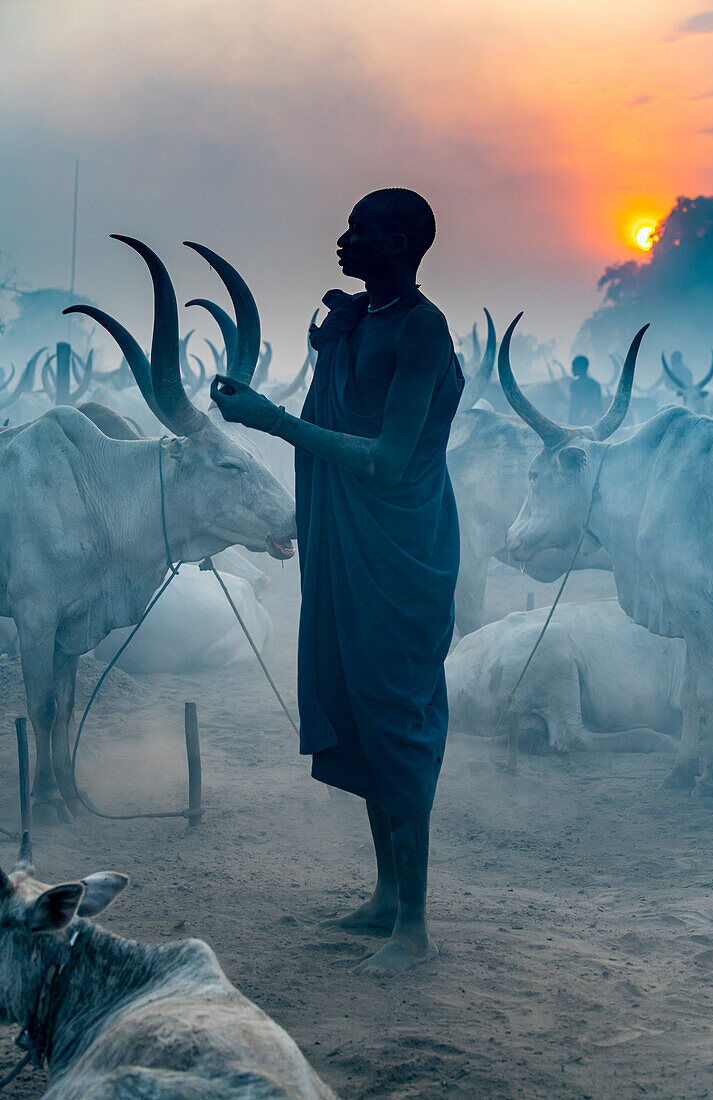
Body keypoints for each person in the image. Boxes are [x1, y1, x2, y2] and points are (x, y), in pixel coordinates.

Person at [211, 188, 463, 975]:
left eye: (361, 232)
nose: (343, 240)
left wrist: (271, 420)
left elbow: (388, 460)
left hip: (400, 548)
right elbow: (345, 401)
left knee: (395, 714)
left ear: (401, 246)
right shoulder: (361, 319)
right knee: (355, 704)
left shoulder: (422, 330)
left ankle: (414, 928)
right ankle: (386, 894)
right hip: (342, 539)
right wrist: (336, 340)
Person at [568, 354, 603, 425]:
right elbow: (599, 406)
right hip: (591, 422)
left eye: (574, 366)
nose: (572, 369)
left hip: (580, 422)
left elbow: (573, 407)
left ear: (581, 367)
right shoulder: (595, 384)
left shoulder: (574, 385)